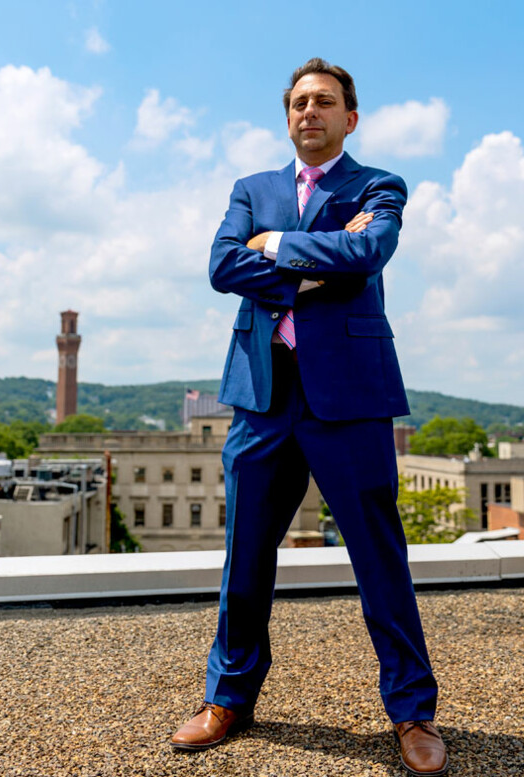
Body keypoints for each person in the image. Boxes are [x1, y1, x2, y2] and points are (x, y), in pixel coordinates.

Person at [169, 58, 447, 776]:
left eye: (324, 102)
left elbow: (370, 249)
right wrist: (320, 266)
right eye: (298, 103)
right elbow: (222, 266)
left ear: (349, 118)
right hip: (262, 396)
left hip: (348, 399)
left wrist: (279, 247)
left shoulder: (377, 185)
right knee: (245, 556)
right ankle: (227, 698)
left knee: (379, 557)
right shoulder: (251, 189)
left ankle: (411, 710)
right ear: (286, 116)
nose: (309, 113)